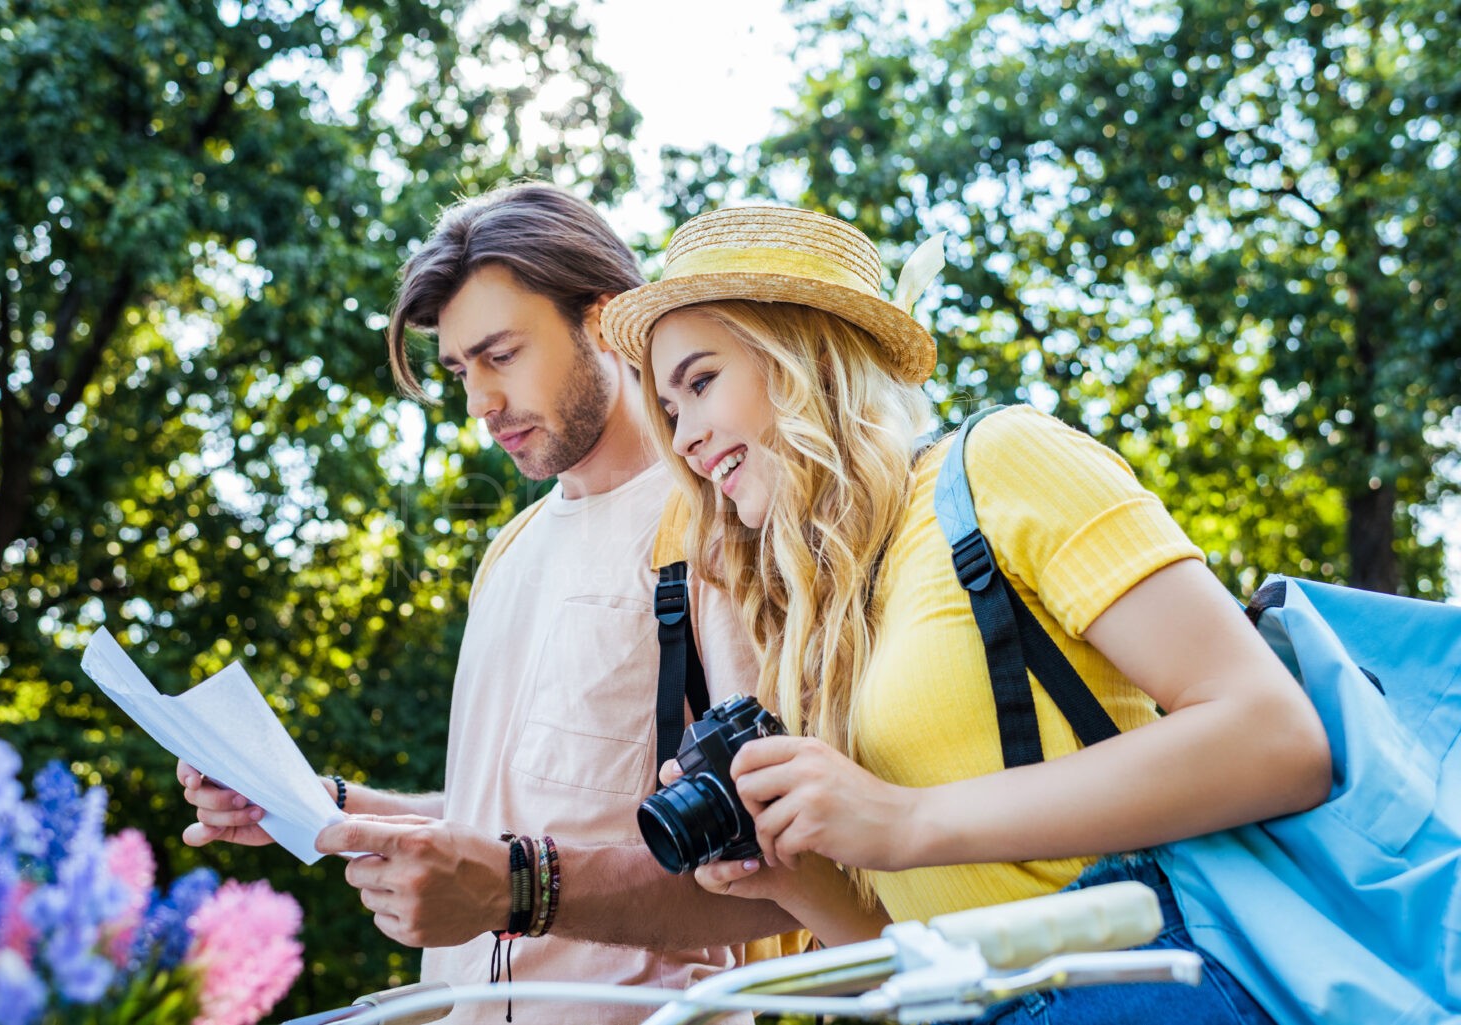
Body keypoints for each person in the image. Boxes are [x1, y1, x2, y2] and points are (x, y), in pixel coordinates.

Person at [599, 204, 1333, 1023]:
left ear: (803, 355)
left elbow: (1276, 737)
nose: (687, 437)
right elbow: (909, 965)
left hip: (1137, 988)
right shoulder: (815, 626)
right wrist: (796, 880)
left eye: (701, 383)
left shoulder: (997, 465)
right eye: (669, 411)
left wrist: (906, 819)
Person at [175, 183, 825, 1024]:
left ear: (601, 319)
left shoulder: (714, 521)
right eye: (460, 371)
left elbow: (783, 880)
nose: (478, 401)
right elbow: (504, 816)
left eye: (502, 354)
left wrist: (519, 888)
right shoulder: (507, 554)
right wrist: (324, 804)